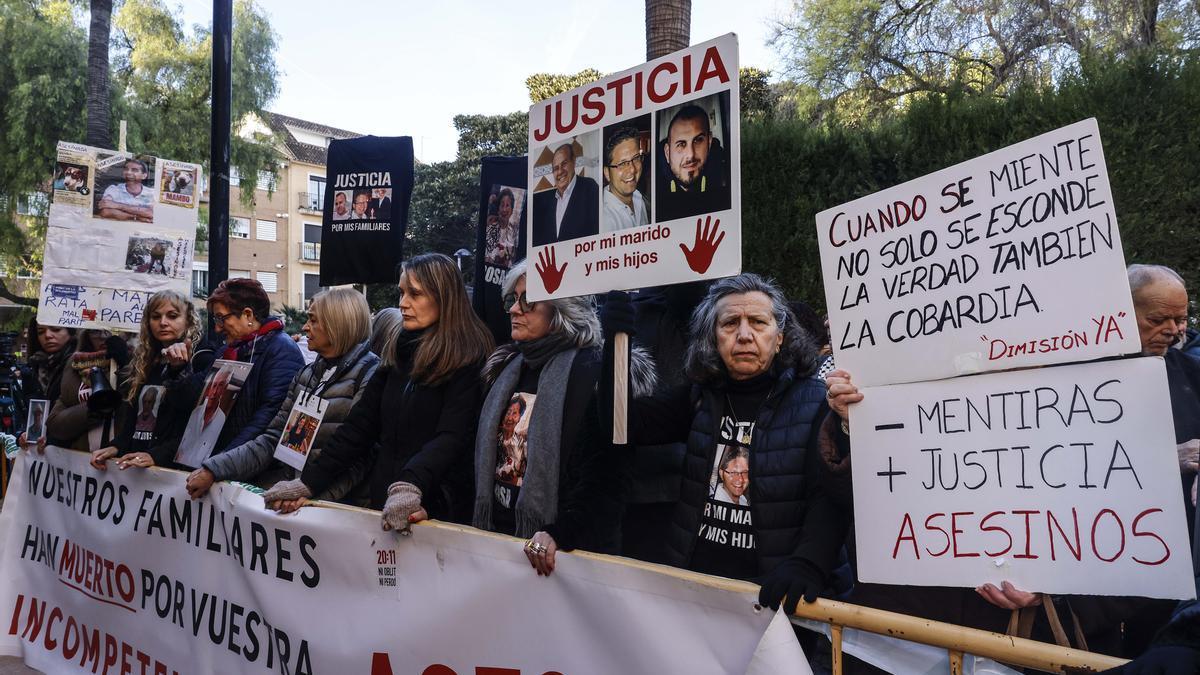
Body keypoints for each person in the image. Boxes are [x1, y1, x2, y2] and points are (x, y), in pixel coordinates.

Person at [602, 273, 846, 614]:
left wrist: (807, 564)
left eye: (758, 322)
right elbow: (624, 425)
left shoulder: (814, 402)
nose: (744, 335)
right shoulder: (701, 395)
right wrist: (616, 342)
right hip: (695, 592)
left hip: (772, 599)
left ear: (779, 337)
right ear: (713, 338)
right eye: (730, 323)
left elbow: (829, 497)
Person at [261, 253, 494, 529]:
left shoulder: (468, 359)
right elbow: (359, 428)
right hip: (385, 505)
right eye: (402, 292)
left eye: (415, 294)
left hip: (436, 512)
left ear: (444, 298)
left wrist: (413, 486)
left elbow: (453, 438)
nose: (403, 303)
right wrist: (309, 483)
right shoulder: (399, 351)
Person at [474, 260, 635, 577]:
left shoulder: (594, 371)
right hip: (495, 542)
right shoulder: (503, 370)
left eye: (528, 300)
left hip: (564, 556)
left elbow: (608, 474)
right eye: (512, 299)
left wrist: (563, 531)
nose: (514, 310)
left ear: (562, 309)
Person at [185, 288, 380, 502]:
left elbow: (361, 456)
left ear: (337, 324)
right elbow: (273, 440)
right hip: (295, 499)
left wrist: (312, 497)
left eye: (313, 321)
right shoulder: (306, 375)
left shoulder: (370, 374)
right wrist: (214, 469)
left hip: (338, 513)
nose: (305, 327)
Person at [176, 279, 302, 486]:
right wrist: (177, 370)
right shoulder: (230, 351)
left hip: (250, 477)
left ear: (248, 315)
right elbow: (195, 398)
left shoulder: (281, 350)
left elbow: (266, 421)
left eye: (221, 318)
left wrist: (219, 465)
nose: (217, 329)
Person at [89, 291, 215, 470]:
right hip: (139, 469)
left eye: (172, 316)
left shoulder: (202, 358)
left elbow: (198, 423)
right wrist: (116, 446)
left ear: (188, 320)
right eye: (155, 317)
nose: (163, 323)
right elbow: (135, 418)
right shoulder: (146, 360)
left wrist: (157, 456)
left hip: (173, 474)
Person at [45, 329, 130, 451]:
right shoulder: (76, 363)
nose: (103, 336)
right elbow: (55, 424)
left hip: (121, 458)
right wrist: (96, 407)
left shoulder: (138, 361)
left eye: (110, 331)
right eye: (95, 331)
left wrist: (124, 365)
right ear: (86, 334)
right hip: (82, 460)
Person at [656, 104, 731, 222]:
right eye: (681, 144)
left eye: (698, 140)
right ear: (667, 153)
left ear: (709, 142)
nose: (690, 154)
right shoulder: (655, 198)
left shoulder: (726, 184)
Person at [532, 143, 599, 247]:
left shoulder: (589, 187)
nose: (560, 171)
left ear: (573, 162)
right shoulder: (548, 202)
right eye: (555, 168)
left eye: (564, 164)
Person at [19, 319, 76, 431]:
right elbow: (29, 410)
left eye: (56, 329)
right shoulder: (32, 367)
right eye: (40, 331)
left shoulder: (81, 364)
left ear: (71, 330)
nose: (47, 335)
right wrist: (24, 434)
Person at [601, 126, 649, 233]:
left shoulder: (638, 197)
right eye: (622, 164)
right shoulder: (604, 220)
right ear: (607, 173)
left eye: (636, 158)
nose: (632, 169)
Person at [97, 158, 154, 222]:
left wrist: (117, 205)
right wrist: (138, 217)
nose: (128, 172)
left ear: (144, 176)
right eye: (126, 169)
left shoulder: (152, 193)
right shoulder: (114, 189)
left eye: (134, 170)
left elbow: (151, 214)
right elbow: (105, 212)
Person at [486, 188, 520, 267]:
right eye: (502, 205)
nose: (504, 209)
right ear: (498, 209)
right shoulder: (490, 228)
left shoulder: (515, 232)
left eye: (507, 205)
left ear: (511, 210)